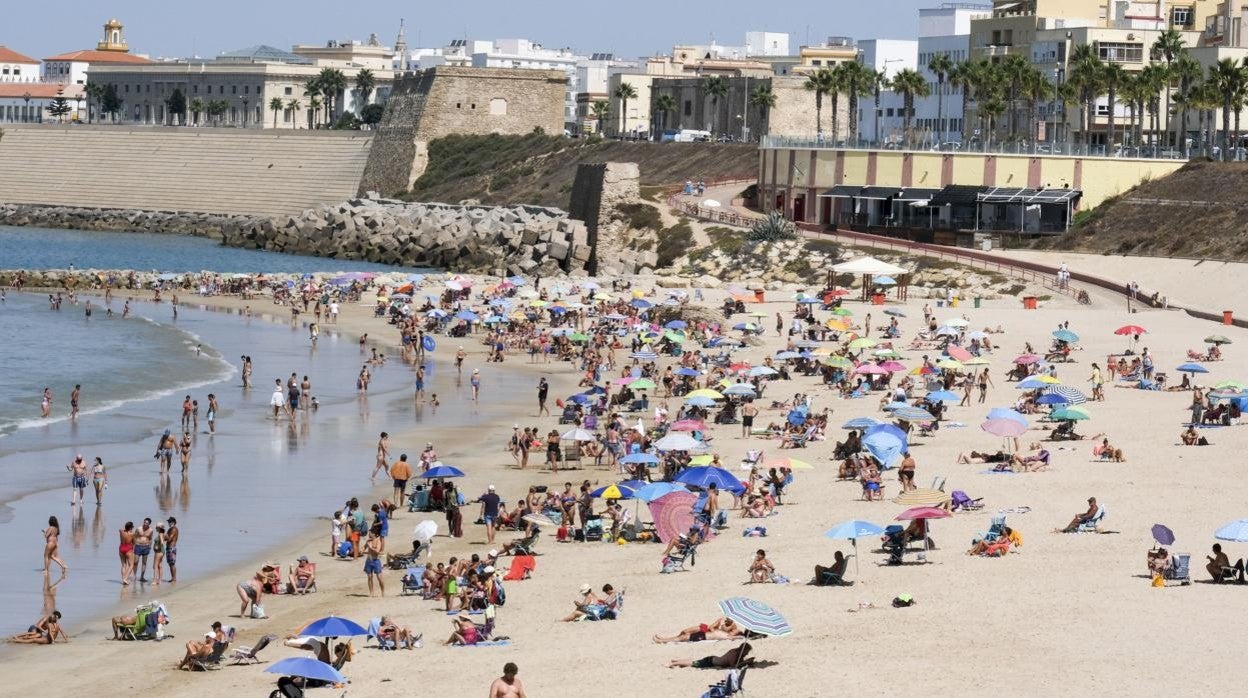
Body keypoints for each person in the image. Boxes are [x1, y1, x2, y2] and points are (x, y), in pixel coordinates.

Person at [653, 617, 745, 643]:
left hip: (709, 633)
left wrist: (716, 630)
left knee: (684, 637)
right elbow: (711, 627)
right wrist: (718, 627)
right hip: (706, 628)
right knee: (684, 631)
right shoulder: (722, 620)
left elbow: (733, 634)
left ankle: (664, 639)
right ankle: (666, 638)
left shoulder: (733, 626)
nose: (727, 621)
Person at [667, 642, 754, 669]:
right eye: (747, 652)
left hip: (713, 660)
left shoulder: (739, 654)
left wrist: (748, 662)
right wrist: (746, 662)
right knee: (694, 663)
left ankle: (677, 661)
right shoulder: (734, 653)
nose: (747, 653)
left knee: (694, 662)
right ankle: (673, 663)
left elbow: (740, 663)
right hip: (710, 661)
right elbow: (733, 666)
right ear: (743, 650)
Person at [364, 525, 385, 596]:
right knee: (369, 577)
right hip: (369, 560)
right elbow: (363, 548)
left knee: (379, 577)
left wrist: (370, 547)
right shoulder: (368, 541)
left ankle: (383, 592)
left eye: (370, 533)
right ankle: (371, 593)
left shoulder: (378, 541)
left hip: (376, 561)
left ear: (374, 534)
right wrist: (361, 551)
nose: (368, 534)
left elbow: (377, 551)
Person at [134, 518, 154, 582]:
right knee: (136, 562)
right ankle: (134, 576)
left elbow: (150, 538)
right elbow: (134, 537)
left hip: (146, 546)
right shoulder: (139, 529)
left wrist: (150, 546)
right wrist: (134, 545)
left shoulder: (151, 530)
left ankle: (142, 577)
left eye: (147, 523)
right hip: (138, 546)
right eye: (144, 522)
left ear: (149, 524)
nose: (145, 524)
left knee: (144, 562)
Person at [119, 521, 136, 586]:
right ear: (131, 527)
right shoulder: (132, 534)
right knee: (131, 565)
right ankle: (125, 579)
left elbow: (120, 529)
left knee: (123, 565)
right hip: (128, 548)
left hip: (121, 548)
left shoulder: (121, 531)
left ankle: (123, 579)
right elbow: (134, 542)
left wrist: (125, 528)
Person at [165, 517, 179, 583]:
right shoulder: (171, 529)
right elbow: (167, 538)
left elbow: (169, 539)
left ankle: (174, 578)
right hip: (169, 547)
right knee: (170, 564)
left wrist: (164, 536)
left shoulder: (174, 529)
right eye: (168, 522)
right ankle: (173, 578)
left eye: (170, 522)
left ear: (174, 522)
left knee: (172, 564)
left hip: (171, 548)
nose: (169, 523)